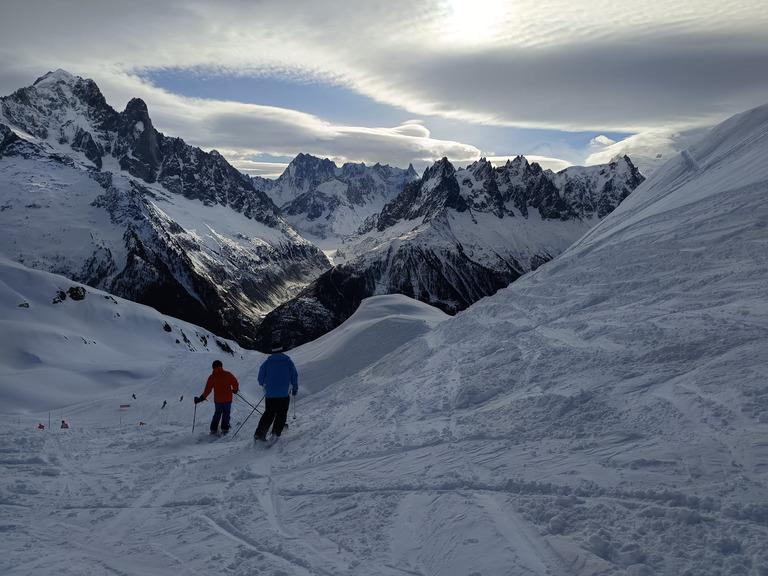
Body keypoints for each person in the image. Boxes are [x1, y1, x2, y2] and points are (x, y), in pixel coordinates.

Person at [254, 342, 298, 441]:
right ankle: (276, 432)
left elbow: (260, 377)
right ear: (282, 350)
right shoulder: (288, 361)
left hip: (270, 394)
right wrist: (295, 388)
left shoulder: (267, 363)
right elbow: (294, 375)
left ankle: (260, 434)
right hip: (284, 393)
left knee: (269, 413)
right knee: (281, 413)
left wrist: (265, 385)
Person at [194, 360, 240, 434]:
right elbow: (235, 382)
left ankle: (213, 428)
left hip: (218, 400)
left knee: (217, 412)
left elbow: (207, 390)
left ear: (213, 367)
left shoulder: (212, 377)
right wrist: (235, 389)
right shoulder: (228, 374)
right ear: (221, 366)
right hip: (228, 398)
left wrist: (200, 398)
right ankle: (225, 428)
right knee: (226, 412)